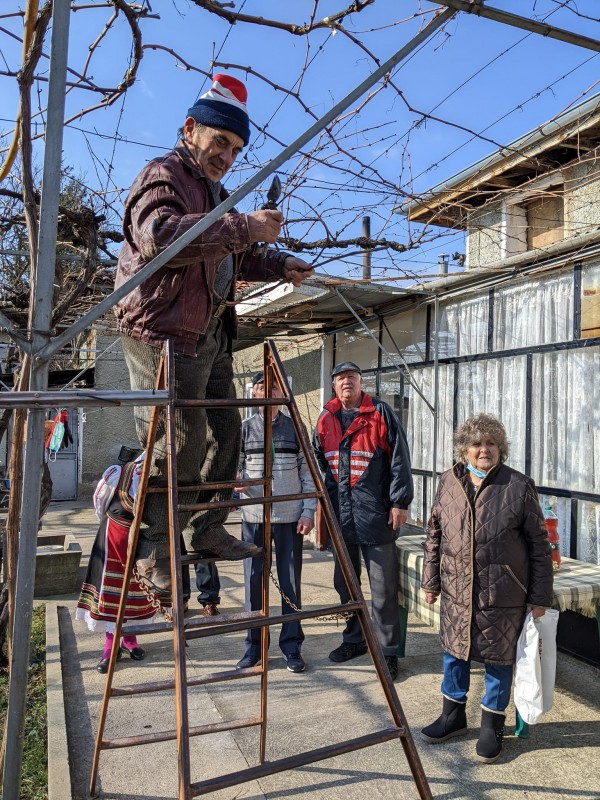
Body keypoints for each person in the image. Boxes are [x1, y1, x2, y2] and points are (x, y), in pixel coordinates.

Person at [114, 74, 313, 600]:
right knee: (176, 440)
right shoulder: (162, 176)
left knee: (230, 433)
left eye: (236, 148)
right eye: (221, 141)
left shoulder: (214, 191)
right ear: (190, 128)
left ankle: (206, 530)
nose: (227, 154)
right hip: (162, 331)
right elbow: (162, 238)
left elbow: (232, 253)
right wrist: (245, 226)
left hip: (208, 332)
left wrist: (278, 261)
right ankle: (154, 548)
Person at [420, 413, 553, 763]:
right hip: (457, 587)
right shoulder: (448, 481)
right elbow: (434, 534)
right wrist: (430, 580)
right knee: (454, 651)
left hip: (503, 591)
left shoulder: (518, 485)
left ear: (501, 449)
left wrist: (539, 597)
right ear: (464, 449)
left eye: (491, 443)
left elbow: (540, 545)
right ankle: (452, 717)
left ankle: (492, 724)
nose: (484, 450)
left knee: (498, 658)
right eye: (477, 443)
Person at [312, 361, 413, 681]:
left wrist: (399, 502)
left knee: (383, 590)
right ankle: (354, 639)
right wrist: (317, 511)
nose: (347, 384)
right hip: (340, 519)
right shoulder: (325, 420)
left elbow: (400, 459)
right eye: (341, 379)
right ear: (333, 386)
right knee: (345, 585)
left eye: (352, 378)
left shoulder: (381, 413)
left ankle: (387, 652)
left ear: (360, 383)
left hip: (376, 517)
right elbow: (317, 468)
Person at [236, 372, 316, 674]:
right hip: (254, 517)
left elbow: (308, 471)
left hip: (289, 517)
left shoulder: (295, 427)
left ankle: (292, 646)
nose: (265, 392)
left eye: (271, 387)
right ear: (253, 394)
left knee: (290, 583)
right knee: (253, 583)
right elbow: (237, 468)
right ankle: (253, 647)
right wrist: (239, 483)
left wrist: (309, 511)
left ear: (281, 392)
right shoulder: (244, 429)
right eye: (260, 387)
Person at [76, 455, 154, 673]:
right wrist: (112, 526)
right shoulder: (118, 474)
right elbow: (100, 503)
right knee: (111, 595)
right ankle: (110, 648)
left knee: (134, 591)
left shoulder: (156, 476)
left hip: (140, 544)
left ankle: (130, 641)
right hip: (111, 542)